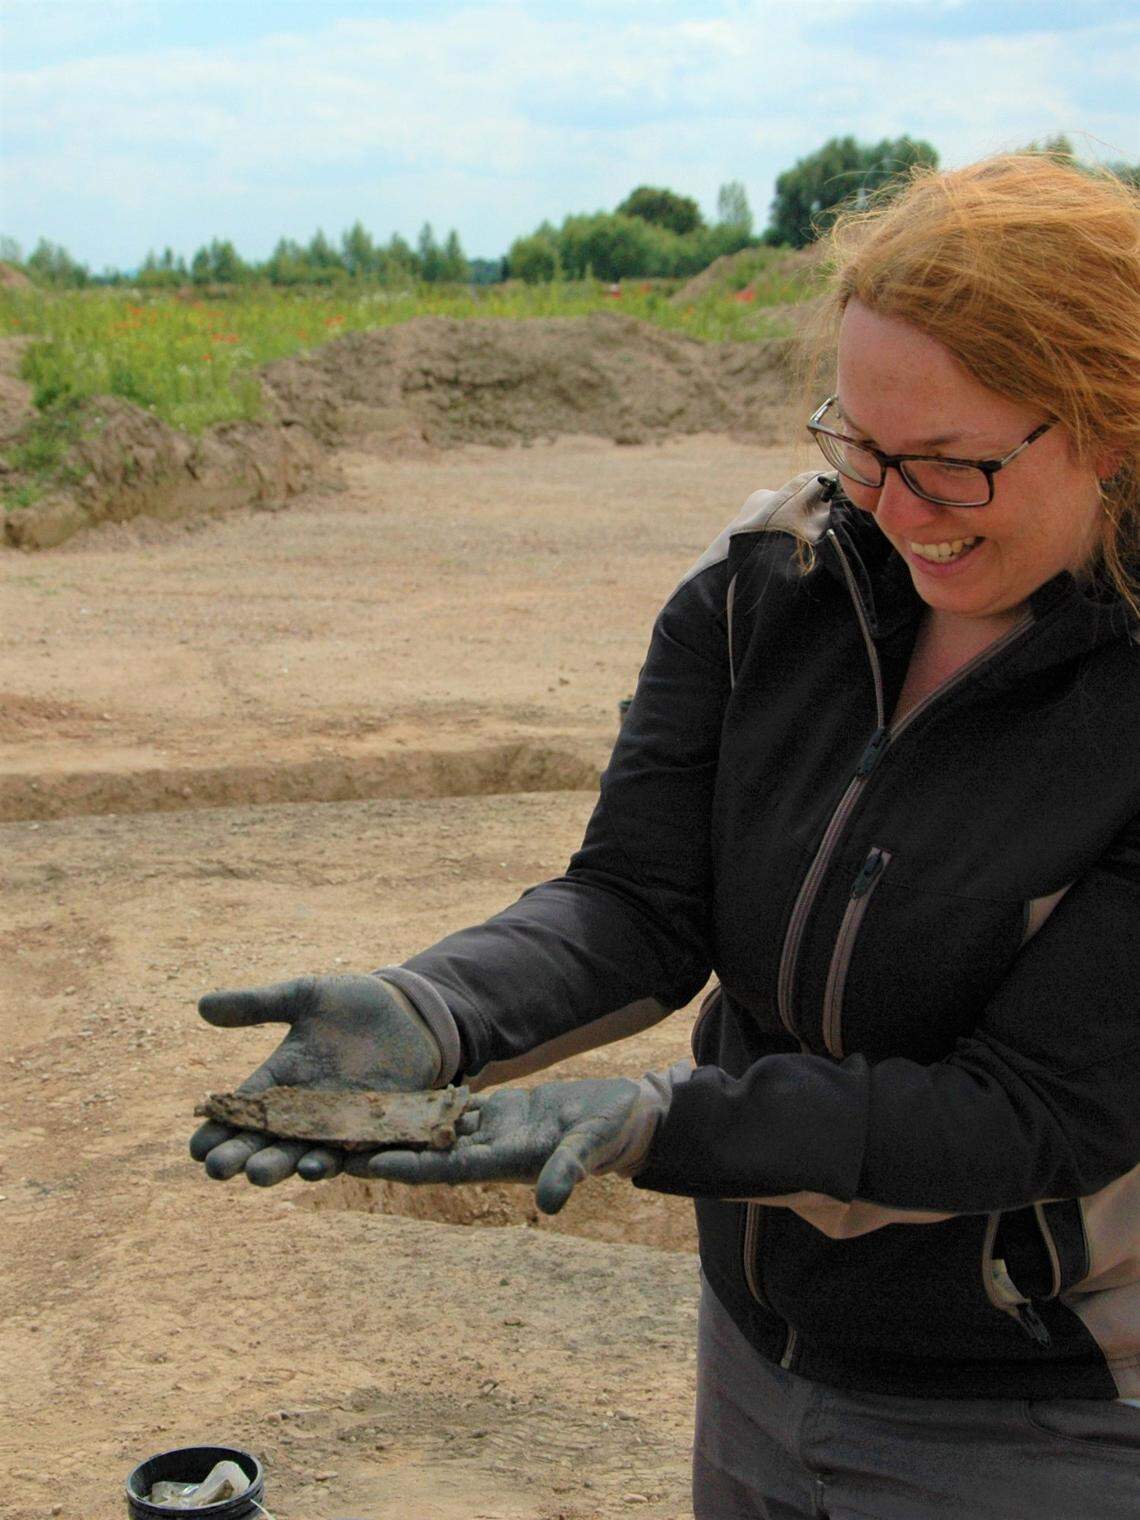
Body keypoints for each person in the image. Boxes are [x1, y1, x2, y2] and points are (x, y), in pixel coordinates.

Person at [191, 154, 1140, 1518]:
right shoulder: (773, 580)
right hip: (758, 1355)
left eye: (951, 465)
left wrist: (662, 1120)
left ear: (1111, 422)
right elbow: (641, 899)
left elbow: (1026, 1114)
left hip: (1038, 1415)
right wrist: (436, 1007)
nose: (891, 508)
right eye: (860, 446)